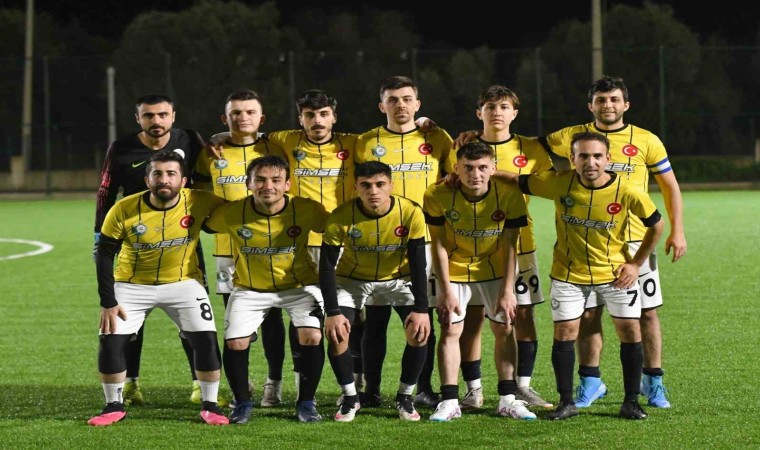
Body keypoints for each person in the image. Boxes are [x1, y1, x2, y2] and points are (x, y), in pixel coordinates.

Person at [539, 76, 686, 409]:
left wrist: (677, 230)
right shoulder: (571, 136)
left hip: (635, 241)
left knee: (646, 313)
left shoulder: (646, 140)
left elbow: (670, 186)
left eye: (614, 99)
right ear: (591, 105)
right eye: (602, 100)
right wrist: (479, 136)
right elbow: (528, 146)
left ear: (626, 105)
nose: (608, 105)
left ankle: (653, 382)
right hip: (589, 240)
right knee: (589, 314)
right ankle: (591, 382)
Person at [516, 131, 664, 420]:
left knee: (630, 331)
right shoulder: (559, 182)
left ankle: (631, 401)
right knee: (564, 333)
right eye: (583, 156)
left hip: (615, 275)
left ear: (608, 158)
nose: (590, 162)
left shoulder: (627, 190)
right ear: (572, 159)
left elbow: (656, 225)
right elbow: (517, 180)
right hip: (568, 275)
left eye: (597, 156)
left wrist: (635, 264)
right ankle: (566, 402)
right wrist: (474, 173)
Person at [93, 94, 218, 406]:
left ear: (173, 116)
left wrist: (219, 144)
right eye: (149, 115)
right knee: (130, 321)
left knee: (192, 320)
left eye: (162, 114)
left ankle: (198, 384)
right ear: (138, 119)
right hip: (135, 237)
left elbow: (208, 167)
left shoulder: (189, 139)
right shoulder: (121, 148)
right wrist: (99, 232)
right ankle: (130, 385)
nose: (156, 121)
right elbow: (107, 189)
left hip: (181, 234)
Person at [442, 86, 554, 410]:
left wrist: (503, 174)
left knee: (522, 314)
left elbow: (548, 186)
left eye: (504, 106)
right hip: (469, 247)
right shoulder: (461, 147)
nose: (497, 112)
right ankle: (473, 389)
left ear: (514, 113)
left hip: (519, 243)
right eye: (490, 107)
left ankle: (522, 386)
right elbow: (449, 183)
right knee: (472, 318)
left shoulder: (530, 148)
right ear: (479, 113)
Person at [205, 155, 329, 423]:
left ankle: (307, 403)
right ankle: (242, 403)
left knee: (311, 336)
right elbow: (203, 224)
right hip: (250, 288)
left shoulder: (307, 209)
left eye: (276, 180)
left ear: (287, 184)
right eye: (260, 180)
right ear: (248, 184)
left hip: (299, 287)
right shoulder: (231, 212)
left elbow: (334, 228)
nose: (268, 186)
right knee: (235, 342)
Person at [355, 75, 453, 408]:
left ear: (418, 104)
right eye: (393, 100)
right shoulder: (366, 141)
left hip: (423, 242)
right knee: (376, 321)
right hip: (378, 242)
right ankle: (371, 390)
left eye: (407, 99)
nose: (401, 105)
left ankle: (422, 387)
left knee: (421, 315)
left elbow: (453, 177)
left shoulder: (437, 137)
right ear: (381, 105)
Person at [424, 141, 535, 422]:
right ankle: (450, 401)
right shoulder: (436, 194)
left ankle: (508, 400)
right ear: (456, 168)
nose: (476, 174)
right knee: (450, 329)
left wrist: (508, 291)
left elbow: (510, 244)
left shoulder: (510, 194)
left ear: (493, 168)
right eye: (469, 168)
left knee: (505, 327)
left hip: (494, 269)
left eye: (483, 167)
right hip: (455, 269)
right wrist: (444, 290)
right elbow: (437, 244)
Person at [194, 88, 287, 407]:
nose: (242, 117)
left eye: (249, 112)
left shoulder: (275, 148)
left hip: (273, 246)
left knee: (272, 319)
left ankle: (274, 383)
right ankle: (241, 383)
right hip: (227, 249)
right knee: (236, 321)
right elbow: (199, 192)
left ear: (261, 118)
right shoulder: (211, 152)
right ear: (225, 118)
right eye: (235, 112)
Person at [320, 161, 431, 422]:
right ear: (355, 187)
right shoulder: (340, 216)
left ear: (391, 185)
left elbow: (418, 263)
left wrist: (422, 309)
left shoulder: (410, 212)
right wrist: (333, 312)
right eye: (366, 185)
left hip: (398, 278)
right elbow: (326, 267)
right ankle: (350, 398)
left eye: (380, 184)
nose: (373, 191)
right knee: (337, 335)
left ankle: (405, 397)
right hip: (353, 279)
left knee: (419, 331)